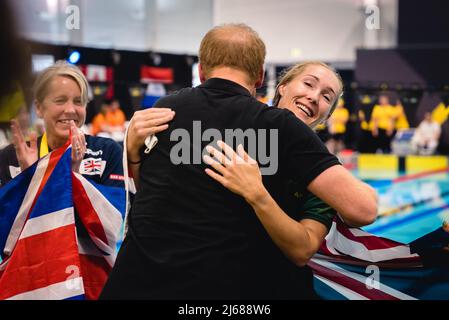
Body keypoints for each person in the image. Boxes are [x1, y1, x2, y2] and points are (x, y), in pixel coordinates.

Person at [101, 24, 376, 300]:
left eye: (326, 96)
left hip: (138, 282)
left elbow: (147, 192)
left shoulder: (166, 108)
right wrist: (132, 151)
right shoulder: (278, 126)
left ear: (201, 71)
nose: (313, 97)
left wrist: (258, 195)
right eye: (308, 84)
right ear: (265, 80)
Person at [0, 61, 124, 188]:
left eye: (78, 101)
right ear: (39, 108)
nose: (70, 110)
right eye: (60, 101)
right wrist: (28, 179)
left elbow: (113, 207)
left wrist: (73, 173)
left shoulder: (107, 153)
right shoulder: (12, 158)